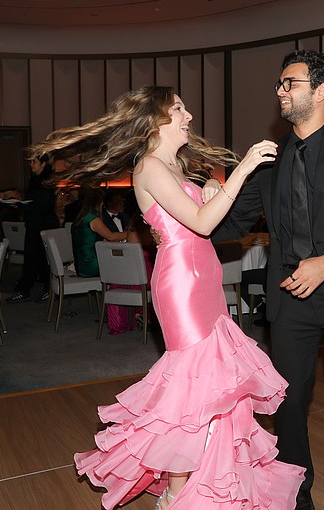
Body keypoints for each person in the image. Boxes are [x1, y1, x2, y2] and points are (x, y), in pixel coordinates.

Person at [28, 85, 304, 510]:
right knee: (190, 387)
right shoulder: (150, 166)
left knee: (214, 386)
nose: (189, 115)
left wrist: (213, 191)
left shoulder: (175, 165)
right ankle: (176, 496)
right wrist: (242, 170)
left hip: (204, 278)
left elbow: (200, 216)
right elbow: (201, 224)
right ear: (156, 119)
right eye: (179, 108)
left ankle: (211, 478)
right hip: (181, 285)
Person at [213, 49, 324, 510]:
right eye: (279, 83)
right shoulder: (269, 160)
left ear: (319, 92)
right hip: (290, 302)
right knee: (288, 409)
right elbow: (233, 224)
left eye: (289, 83)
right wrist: (180, 218)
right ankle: (298, 501)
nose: (279, 90)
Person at [7, 156, 59, 303]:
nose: (31, 165)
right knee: (31, 258)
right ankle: (25, 289)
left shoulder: (46, 180)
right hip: (34, 223)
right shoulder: (35, 180)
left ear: (43, 164)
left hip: (44, 225)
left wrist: (20, 204)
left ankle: (47, 290)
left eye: (34, 162)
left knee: (45, 259)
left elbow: (42, 205)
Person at [71, 186, 128, 278]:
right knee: (124, 264)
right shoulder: (92, 219)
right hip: (92, 266)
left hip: (81, 264)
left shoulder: (80, 218)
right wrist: (131, 234)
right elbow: (111, 236)